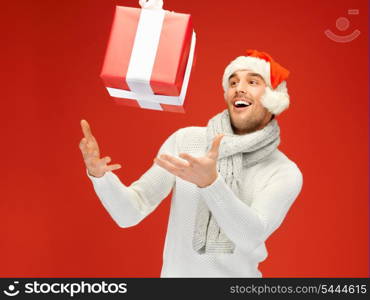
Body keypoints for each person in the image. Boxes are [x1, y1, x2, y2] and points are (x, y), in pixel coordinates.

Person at [79, 49, 303, 277]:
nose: (239, 88)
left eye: (253, 81)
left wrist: (211, 184)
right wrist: (100, 177)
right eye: (233, 82)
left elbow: (250, 236)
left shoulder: (283, 172)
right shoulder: (187, 141)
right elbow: (129, 213)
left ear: (272, 98)